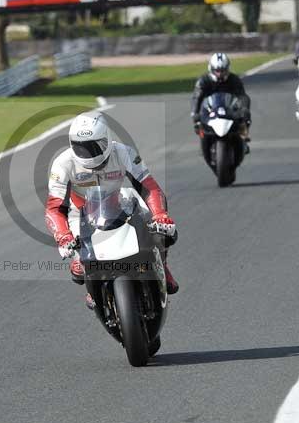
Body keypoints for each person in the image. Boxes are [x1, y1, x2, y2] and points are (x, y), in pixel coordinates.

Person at [46, 111, 180, 306]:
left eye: (94, 146)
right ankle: (93, 289)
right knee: (79, 268)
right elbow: (54, 207)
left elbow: (148, 186)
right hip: (80, 214)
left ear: (107, 139)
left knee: (162, 230)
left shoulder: (124, 152)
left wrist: (160, 215)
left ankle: (162, 264)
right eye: (81, 147)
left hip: (119, 204)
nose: (88, 153)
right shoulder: (62, 164)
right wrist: (63, 235)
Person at [190, 52, 251, 146]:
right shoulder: (203, 80)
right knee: (198, 123)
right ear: (211, 68)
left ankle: (243, 137)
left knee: (245, 117)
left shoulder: (234, 79)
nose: (220, 73)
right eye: (217, 70)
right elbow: (196, 97)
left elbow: (242, 96)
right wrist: (195, 113)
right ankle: (204, 141)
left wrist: (245, 108)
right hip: (210, 109)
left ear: (227, 68)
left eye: (223, 70)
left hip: (229, 108)